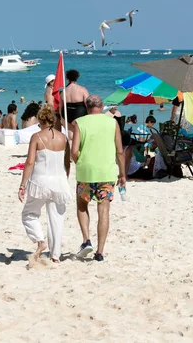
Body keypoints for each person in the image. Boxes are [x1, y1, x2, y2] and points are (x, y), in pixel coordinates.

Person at [71, 95, 126, 262]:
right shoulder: (113, 123)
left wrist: (79, 161)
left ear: (87, 108)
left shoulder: (79, 123)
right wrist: (122, 174)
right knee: (104, 211)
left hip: (86, 171)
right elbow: (119, 151)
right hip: (107, 172)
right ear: (102, 106)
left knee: (82, 205)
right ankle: (100, 252)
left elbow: (74, 151)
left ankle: (86, 240)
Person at [18, 106, 71, 263]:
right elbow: (67, 163)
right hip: (59, 180)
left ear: (40, 120)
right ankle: (55, 256)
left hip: (40, 181)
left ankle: (41, 241)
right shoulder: (63, 138)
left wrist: (22, 185)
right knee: (57, 218)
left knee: (29, 214)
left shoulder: (36, 137)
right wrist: (65, 178)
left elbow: (30, 162)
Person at [60, 69, 89, 134]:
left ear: (67, 79)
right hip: (80, 113)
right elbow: (88, 104)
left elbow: (60, 106)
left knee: (70, 136)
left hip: (67, 113)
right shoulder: (82, 89)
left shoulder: (64, 91)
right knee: (80, 134)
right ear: (76, 78)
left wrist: (62, 118)